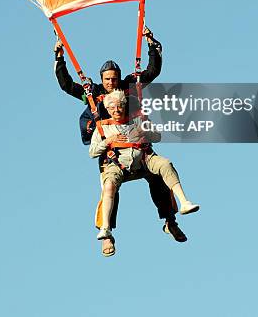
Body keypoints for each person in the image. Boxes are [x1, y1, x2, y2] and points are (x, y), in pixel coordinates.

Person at [53, 27, 187, 256]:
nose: (112, 83)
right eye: (107, 79)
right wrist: (59, 58)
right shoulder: (92, 94)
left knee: (160, 179)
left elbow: (152, 71)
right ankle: (106, 235)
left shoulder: (130, 87)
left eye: (114, 79)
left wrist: (152, 45)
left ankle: (170, 221)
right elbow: (67, 85)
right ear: (101, 79)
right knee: (109, 189)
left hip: (139, 149)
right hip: (112, 155)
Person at [89, 89, 199, 248]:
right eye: (112, 107)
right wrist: (108, 142)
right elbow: (92, 152)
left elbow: (157, 137)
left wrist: (145, 131)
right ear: (107, 110)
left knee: (165, 164)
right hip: (118, 164)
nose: (116, 110)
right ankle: (105, 228)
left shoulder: (137, 121)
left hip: (144, 160)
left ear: (124, 106)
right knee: (108, 186)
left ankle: (184, 202)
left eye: (119, 106)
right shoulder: (102, 128)